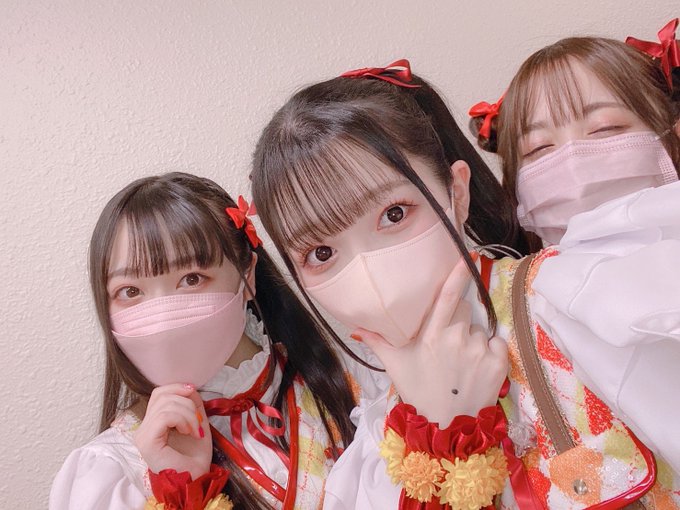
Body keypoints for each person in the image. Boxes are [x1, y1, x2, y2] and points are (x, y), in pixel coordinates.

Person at [250, 59, 679, 508]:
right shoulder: (377, 437)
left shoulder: (576, 302)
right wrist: (440, 425)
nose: (368, 270)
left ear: (456, 192)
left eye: (394, 214)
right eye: (321, 253)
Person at [49, 172, 388, 509]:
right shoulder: (112, 472)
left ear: (248, 275)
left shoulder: (360, 384)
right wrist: (182, 486)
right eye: (130, 291)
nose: (164, 317)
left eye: (191, 279)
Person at [470, 25, 680, 477]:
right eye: (539, 148)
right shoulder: (504, 312)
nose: (572, 159)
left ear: (670, 134)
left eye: (605, 128)